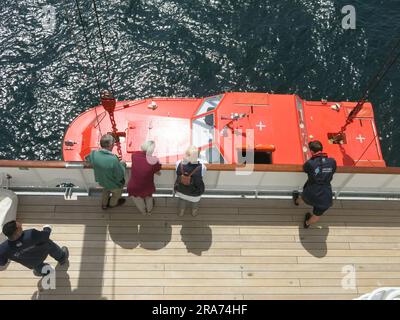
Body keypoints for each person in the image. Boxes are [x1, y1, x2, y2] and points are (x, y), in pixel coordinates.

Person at [293, 140, 337, 228]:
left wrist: (312, 159)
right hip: (325, 196)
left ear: (312, 151)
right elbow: (333, 170)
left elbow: (305, 168)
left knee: (303, 197)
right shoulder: (332, 161)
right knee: (317, 215)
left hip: (311, 193)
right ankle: (307, 224)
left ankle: (297, 202)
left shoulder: (310, 163)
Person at [0, 220, 69, 277]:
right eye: (19, 226)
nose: (21, 224)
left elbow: (2, 262)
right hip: (43, 252)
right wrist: (47, 228)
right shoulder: (31, 234)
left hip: (31, 262)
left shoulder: (3, 249)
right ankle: (61, 257)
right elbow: (45, 236)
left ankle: (46, 271)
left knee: (37, 266)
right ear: (17, 231)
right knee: (48, 242)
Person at [87, 134, 126, 209]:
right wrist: (122, 163)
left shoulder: (94, 153)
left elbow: (87, 158)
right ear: (111, 145)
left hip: (102, 181)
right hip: (114, 184)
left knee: (106, 191)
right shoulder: (113, 159)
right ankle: (112, 205)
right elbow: (120, 175)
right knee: (116, 195)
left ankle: (104, 205)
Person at [127, 141, 162, 215]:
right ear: (152, 150)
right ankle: (149, 211)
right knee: (149, 198)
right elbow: (157, 169)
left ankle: (143, 212)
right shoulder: (154, 160)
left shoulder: (134, 155)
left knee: (138, 201)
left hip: (133, 186)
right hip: (146, 186)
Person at [174, 146, 207, 217]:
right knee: (195, 202)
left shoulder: (178, 163)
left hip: (181, 190)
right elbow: (202, 175)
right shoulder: (202, 167)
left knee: (182, 200)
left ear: (186, 154)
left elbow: (177, 172)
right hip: (195, 192)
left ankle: (181, 212)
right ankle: (194, 212)